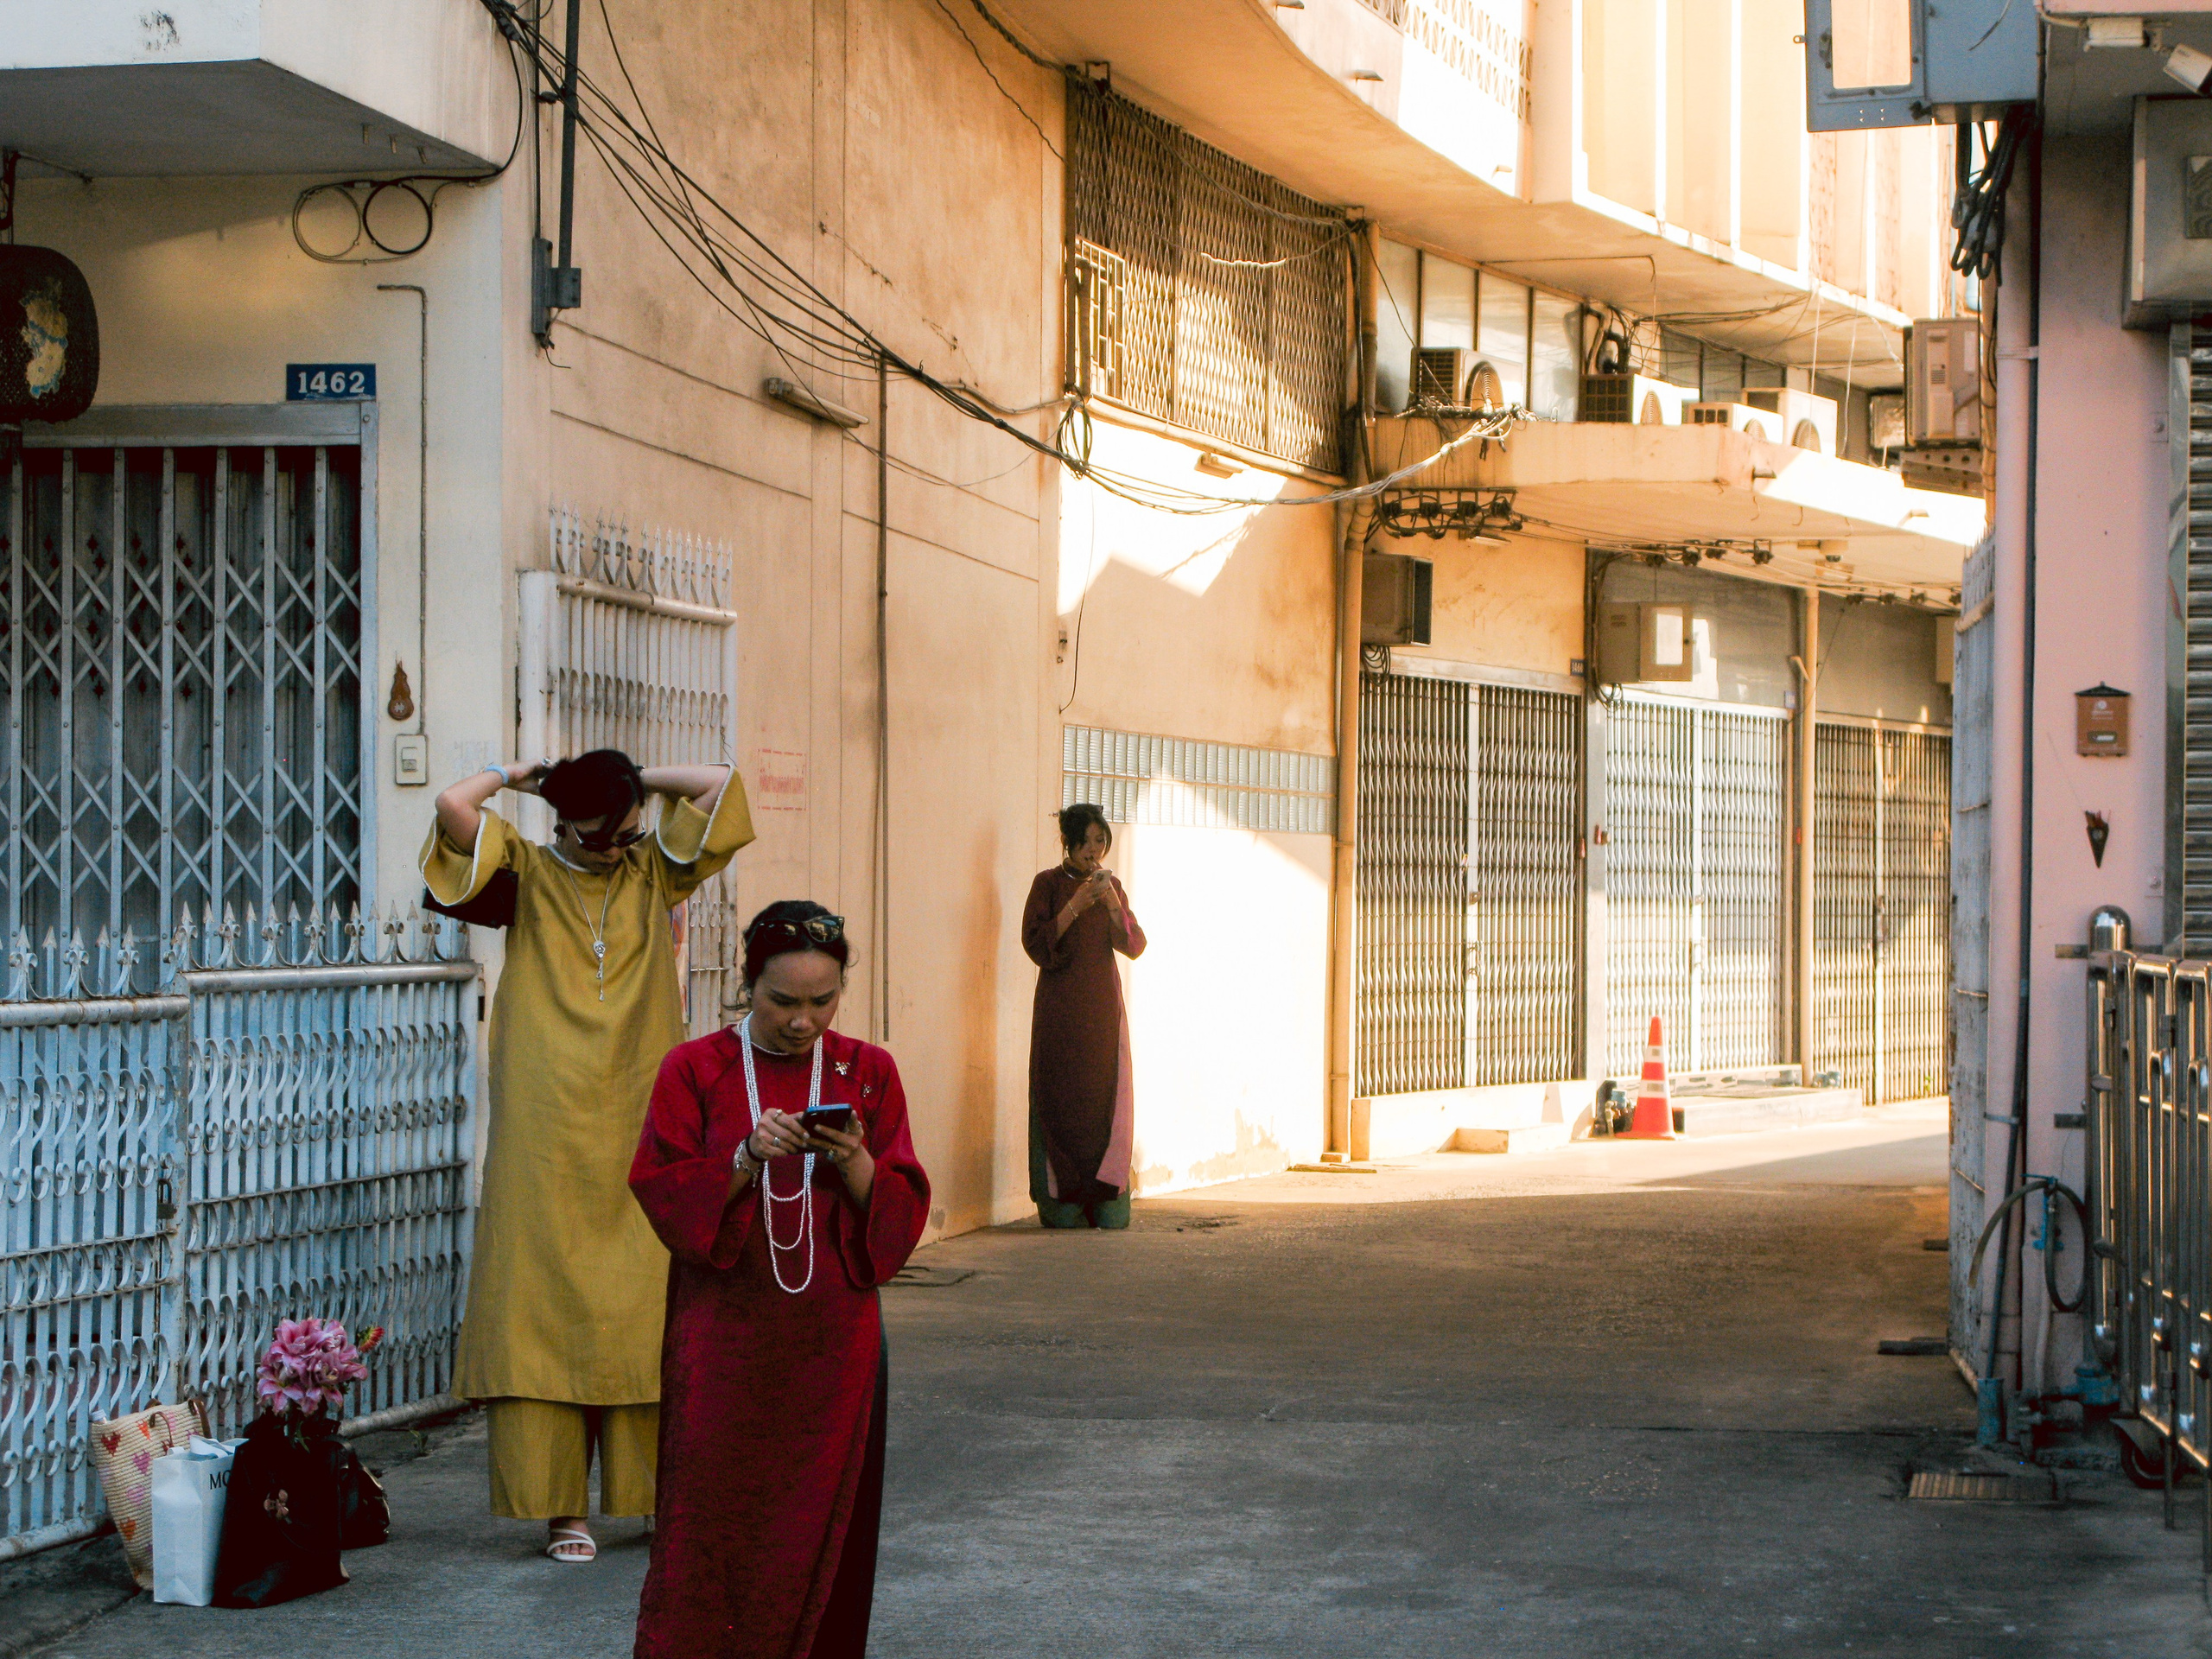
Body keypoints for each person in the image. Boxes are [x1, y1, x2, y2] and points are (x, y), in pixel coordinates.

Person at [421, 750, 753, 1564]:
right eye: (602, 835)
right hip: (543, 1115)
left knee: (646, 1292)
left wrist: (634, 781)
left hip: (643, 1104)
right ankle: (560, 1510)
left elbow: (717, 787)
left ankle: (649, 1499)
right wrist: (518, 774)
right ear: (562, 823)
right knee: (540, 1293)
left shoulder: (653, 874)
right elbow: (453, 805)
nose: (619, 846)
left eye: (629, 831)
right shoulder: (525, 871)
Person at [629, 901, 930, 1659]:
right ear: (746, 982)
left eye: (822, 1001)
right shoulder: (695, 1069)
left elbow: (900, 1213)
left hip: (835, 1348)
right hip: (723, 1342)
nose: (803, 1022)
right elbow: (661, 1190)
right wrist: (743, 1158)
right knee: (710, 1521)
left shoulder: (868, 1071)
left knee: (825, 1523)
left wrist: (855, 1160)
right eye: (783, 1001)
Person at [1021, 803, 1147, 1230]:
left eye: (1101, 841)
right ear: (1068, 843)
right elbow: (1036, 944)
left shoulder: (1112, 887)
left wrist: (1111, 902)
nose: (1094, 850)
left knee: (1104, 1094)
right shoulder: (1048, 884)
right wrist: (1076, 903)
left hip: (1102, 1011)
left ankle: (1106, 1189)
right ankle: (1061, 1195)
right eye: (1086, 841)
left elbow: (1134, 944)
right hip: (1060, 1011)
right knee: (1061, 1092)